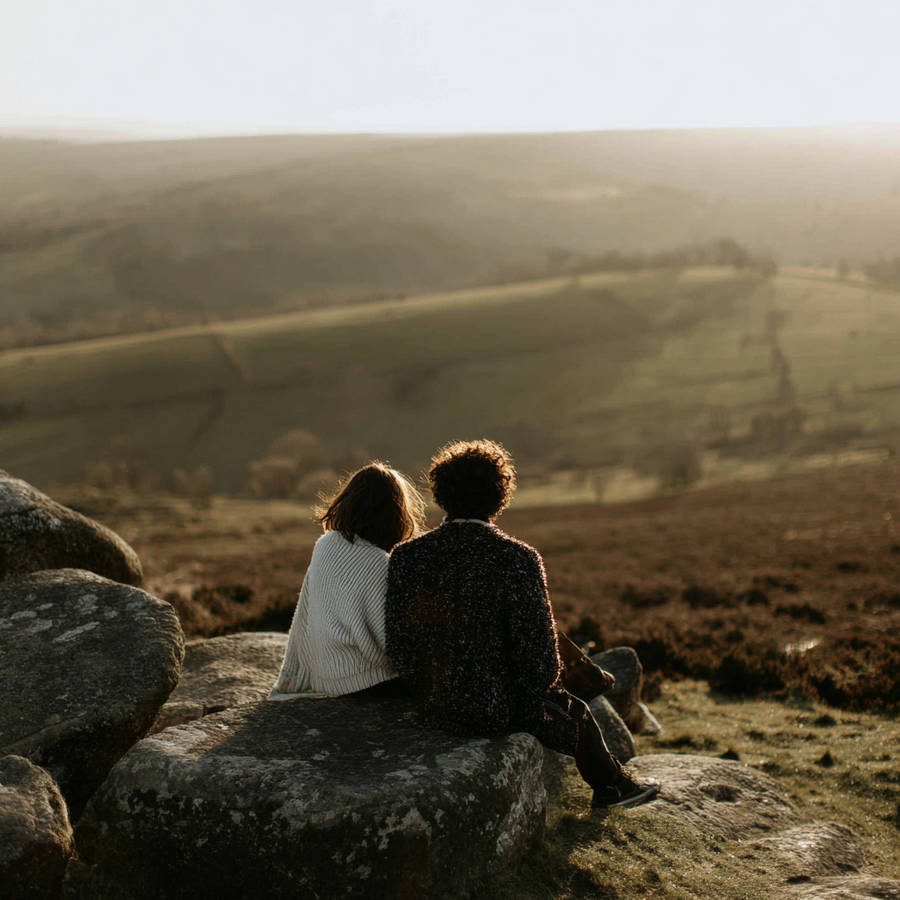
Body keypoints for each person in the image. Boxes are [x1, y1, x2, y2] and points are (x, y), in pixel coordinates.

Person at [385, 439, 659, 809]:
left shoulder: (405, 556)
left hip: (428, 704)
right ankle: (613, 787)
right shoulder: (518, 559)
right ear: (500, 495)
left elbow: (399, 645)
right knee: (575, 712)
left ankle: (614, 784)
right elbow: (541, 665)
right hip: (493, 709)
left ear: (441, 494)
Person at [270, 462, 425, 698]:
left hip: (324, 678)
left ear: (348, 502)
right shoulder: (379, 562)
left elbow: (303, 617)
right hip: (365, 684)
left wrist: (294, 676)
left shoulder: (324, 545)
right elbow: (389, 642)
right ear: (395, 514)